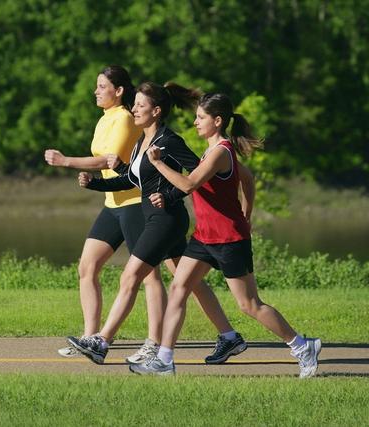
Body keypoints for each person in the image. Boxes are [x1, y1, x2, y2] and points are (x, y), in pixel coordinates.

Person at [130, 93, 322, 378]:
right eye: (196, 117)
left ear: (217, 121)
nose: (195, 122)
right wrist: (247, 211)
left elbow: (190, 183)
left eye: (201, 118)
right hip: (204, 237)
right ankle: (165, 360)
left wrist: (158, 163)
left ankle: (302, 345)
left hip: (229, 239)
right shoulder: (210, 152)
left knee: (249, 305)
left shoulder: (220, 151)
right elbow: (247, 179)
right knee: (178, 289)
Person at [68, 82, 252, 365]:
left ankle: (101, 341)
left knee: (130, 277)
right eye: (134, 105)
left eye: (140, 105)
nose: (134, 109)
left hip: (166, 220)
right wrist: (94, 183)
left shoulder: (169, 141)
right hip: (158, 218)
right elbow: (132, 179)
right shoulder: (143, 140)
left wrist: (169, 194)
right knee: (190, 282)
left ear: (156, 111)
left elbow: (198, 176)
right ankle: (229, 337)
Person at [45, 65, 171, 362]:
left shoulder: (126, 119)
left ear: (119, 91)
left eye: (102, 86)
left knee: (149, 275)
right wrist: (94, 181)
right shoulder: (105, 120)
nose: (96, 91)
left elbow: (106, 159)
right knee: (87, 268)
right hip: (112, 205)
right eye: (97, 86)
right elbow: (105, 162)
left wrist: (66, 161)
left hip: (133, 204)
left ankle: (155, 342)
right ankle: (90, 337)